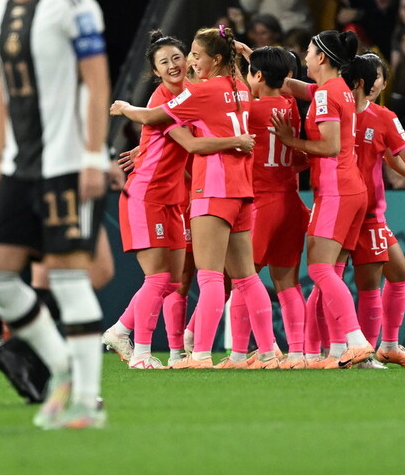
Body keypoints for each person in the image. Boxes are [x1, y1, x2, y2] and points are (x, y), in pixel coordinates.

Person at [0, 0, 110, 430]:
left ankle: (85, 403)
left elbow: (97, 84)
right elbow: (5, 89)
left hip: (65, 165)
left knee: (72, 278)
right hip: (19, 166)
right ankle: (63, 371)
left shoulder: (72, 3)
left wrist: (95, 156)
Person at [111, 25, 280, 370]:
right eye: (172, 60)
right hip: (225, 191)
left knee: (203, 276)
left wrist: (125, 108)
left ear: (213, 59)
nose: (184, 62)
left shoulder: (196, 94)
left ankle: (195, 354)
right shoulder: (240, 88)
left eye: (189, 55)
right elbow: (179, 136)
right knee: (237, 277)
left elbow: (160, 122)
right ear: (155, 70)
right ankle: (266, 351)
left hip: (209, 190)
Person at [270, 30, 374, 369]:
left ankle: (356, 342)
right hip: (350, 189)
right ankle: (336, 349)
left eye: (310, 51)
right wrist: (250, 56)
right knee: (333, 271)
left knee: (319, 268)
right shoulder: (336, 90)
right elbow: (293, 86)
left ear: (323, 59)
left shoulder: (328, 96)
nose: (305, 57)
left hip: (336, 191)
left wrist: (290, 140)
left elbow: (329, 147)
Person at [227, 46, 310, 369]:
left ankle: (241, 354)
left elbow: (231, 101)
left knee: (243, 281)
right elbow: (276, 83)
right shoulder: (290, 106)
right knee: (288, 283)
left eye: (251, 73)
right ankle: (299, 353)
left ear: (258, 76)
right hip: (291, 202)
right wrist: (252, 57)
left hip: (262, 204)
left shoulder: (251, 111)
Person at [349, 53, 405, 367]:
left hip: (369, 213)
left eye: (382, 76)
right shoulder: (337, 109)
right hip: (348, 209)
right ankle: (353, 352)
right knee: (332, 280)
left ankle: (388, 345)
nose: (379, 82)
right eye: (377, 75)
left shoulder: (383, 116)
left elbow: (396, 154)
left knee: (397, 273)